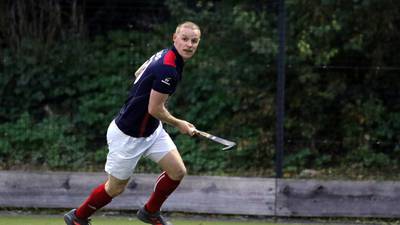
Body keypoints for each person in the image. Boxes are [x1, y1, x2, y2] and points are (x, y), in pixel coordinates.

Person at [64, 21, 201, 225]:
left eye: (194, 41)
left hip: (152, 131)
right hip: (128, 136)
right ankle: (78, 217)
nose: (189, 44)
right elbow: (154, 109)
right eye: (185, 39)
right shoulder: (169, 70)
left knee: (177, 171)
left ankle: (150, 212)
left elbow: (138, 73)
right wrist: (180, 124)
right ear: (175, 38)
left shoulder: (166, 54)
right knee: (115, 188)